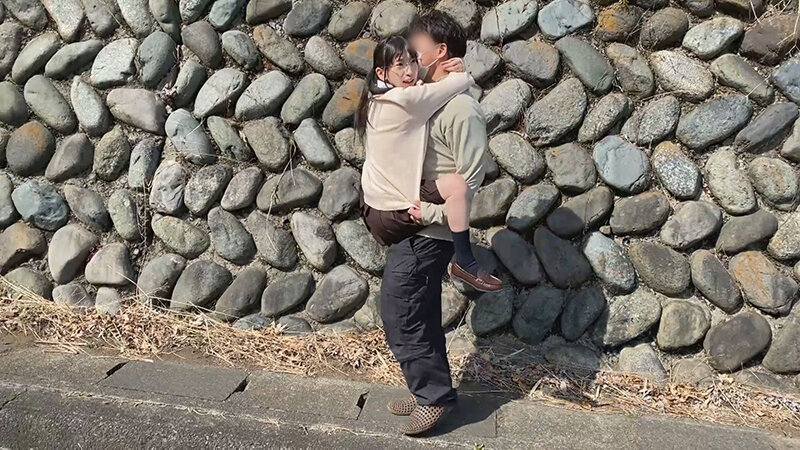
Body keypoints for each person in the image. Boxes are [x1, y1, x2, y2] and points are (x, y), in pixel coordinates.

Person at [362, 11, 493, 435]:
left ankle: (433, 397)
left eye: (415, 50)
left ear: (439, 52)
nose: (409, 59)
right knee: (419, 310)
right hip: (412, 223)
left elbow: (470, 180)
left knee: (402, 312)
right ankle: (426, 389)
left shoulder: (462, 110)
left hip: (429, 228)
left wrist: (428, 212)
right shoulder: (427, 95)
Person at [356, 37, 502, 292]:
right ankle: (465, 262)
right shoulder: (404, 100)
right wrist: (459, 72)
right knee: (458, 187)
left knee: (455, 185)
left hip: (375, 203)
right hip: (389, 209)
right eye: (400, 65)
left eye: (414, 62)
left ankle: (464, 262)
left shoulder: (376, 95)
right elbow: (453, 85)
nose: (410, 71)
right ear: (381, 72)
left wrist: (429, 70)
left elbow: (419, 81)